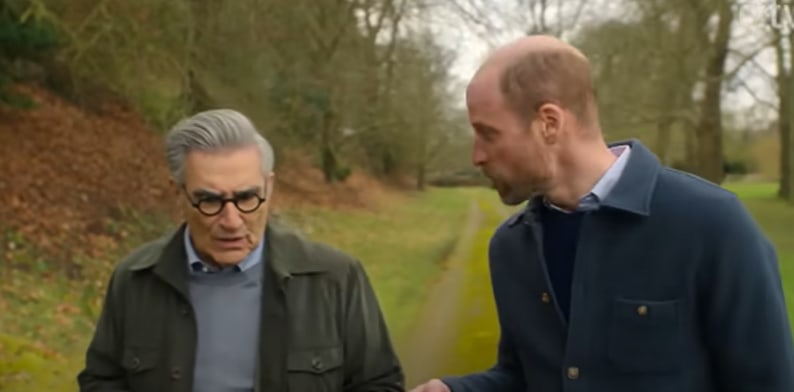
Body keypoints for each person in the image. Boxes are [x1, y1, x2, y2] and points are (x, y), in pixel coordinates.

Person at [410, 35, 794, 391]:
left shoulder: (713, 226)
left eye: (488, 134)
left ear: (549, 123)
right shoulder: (512, 247)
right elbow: (525, 377)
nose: (477, 155)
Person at [77, 109, 404, 392]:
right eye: (210, 200)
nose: (232, 221)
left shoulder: (336, 278)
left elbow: (380, 383)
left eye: (247, 198)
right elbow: (102, 380)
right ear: (178, 194)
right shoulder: (134, 280)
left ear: (269, 186)